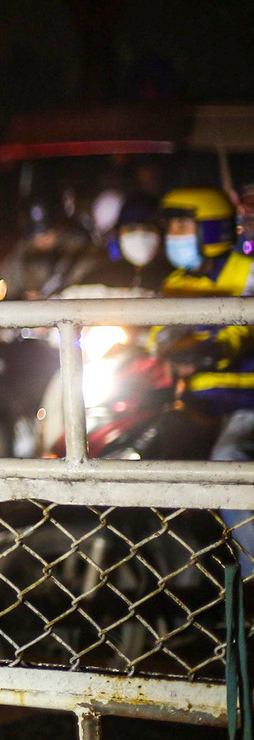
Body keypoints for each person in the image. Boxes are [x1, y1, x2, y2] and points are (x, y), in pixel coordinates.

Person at [149, 186, 254, 573]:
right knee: (151, 462)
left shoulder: (248, 269)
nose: (173, 234)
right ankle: (183, 576)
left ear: (210, 229)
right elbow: (156, 334)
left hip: (246, 402)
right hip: (198, 405)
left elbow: (240, 331)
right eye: (172, 226)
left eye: (182, 224)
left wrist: (207, 348)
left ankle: (251, 572)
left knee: (228, 463)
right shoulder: (174, 281)